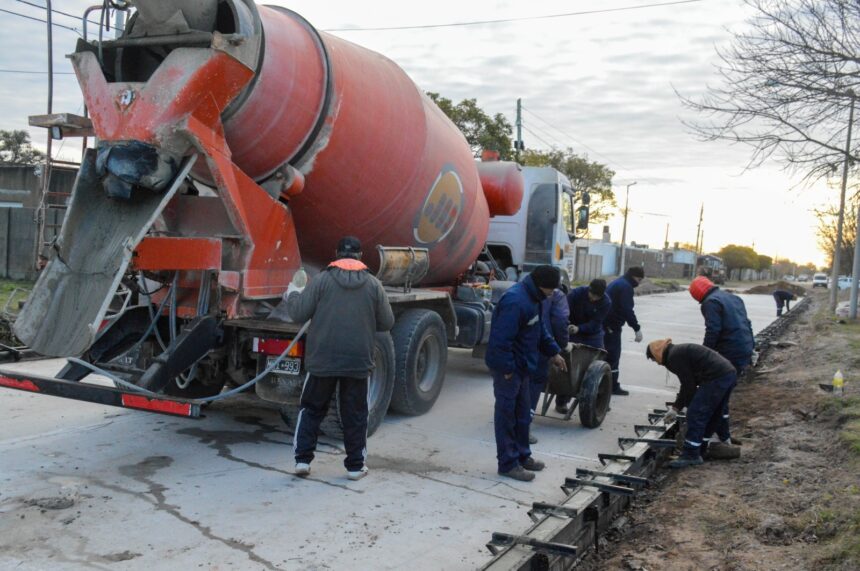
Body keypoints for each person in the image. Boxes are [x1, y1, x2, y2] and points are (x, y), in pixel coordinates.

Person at [287, 236, 395, 481]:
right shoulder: (373, 284)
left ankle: (303, 461)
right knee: (355, 413)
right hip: (357, 362)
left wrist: (293, 293)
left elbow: (298, 313)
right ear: (359, 256)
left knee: (312, 409)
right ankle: (355, 467)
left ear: (336, 253)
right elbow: (387, 323)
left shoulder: (321, 281)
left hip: (322, 360)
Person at [485, 265, 568, 482]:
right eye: (551, 290)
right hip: (509, 370)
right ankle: (508, 464)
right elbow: (500, 341)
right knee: (507, 417)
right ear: (541, 286)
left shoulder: (535, 299)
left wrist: (553, 352)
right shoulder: (515, 301)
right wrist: (507, 370)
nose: (553, 294)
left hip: (522, 368)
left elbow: (540, 330)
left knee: (522, 416)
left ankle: (523, 456)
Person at [645, 338, 740, 468]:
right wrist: (680, 405)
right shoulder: (677, 351)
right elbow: (690, 384)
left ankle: (691, 454)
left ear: (657, 353)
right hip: (728, 373)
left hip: (716, 377)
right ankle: (701, 449)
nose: (657, 363)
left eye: (654, 359)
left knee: (696, 414)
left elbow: (688, 385)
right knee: (712, 414)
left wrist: (681, 407)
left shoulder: (674, 357)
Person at [688, 276, 754, 445]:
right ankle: (724, 436)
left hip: (729, 352)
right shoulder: (733, 297)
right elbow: (747, 323)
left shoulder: (710, 302)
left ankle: (702, 442)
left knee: (715, 397)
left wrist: (703, 356)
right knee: (723, 395)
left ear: (698, 296)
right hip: (743, 349)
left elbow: (713, 330)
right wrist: (752, 347)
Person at [556, 278, 611, 413]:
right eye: (592, 295)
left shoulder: (606, 302)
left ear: (602, 295)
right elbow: (563, 311)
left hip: (592, 334)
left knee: (600, 360)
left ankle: (599, 398)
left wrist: (580, 328)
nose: (593, 299)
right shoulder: (576, 294)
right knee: (569, 362)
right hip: (571, 329)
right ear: (589, 289)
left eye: (597, 297)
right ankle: (562, 402)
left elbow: (596, 323)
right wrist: (568, 326)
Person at [529, 285, 570, 435]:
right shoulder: (557, 296)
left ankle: (508, 424)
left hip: (520, 345)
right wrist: (561, 345)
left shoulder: (520, 291)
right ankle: (524, 428)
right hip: (539, 347)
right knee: (533, 385)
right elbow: (560, 321)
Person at [604, 267, 645, 396]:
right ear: (633, 276)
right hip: (611, 326)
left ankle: (606, 384)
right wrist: (636, 328)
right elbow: (627, 309)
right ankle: (612, 387)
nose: (638, 283)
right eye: (638, 279)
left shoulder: (618, 282)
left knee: (606, 355)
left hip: (605, 324)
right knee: (613, 356)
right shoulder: (625, 287)